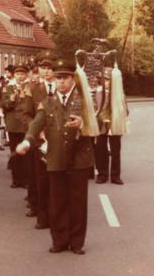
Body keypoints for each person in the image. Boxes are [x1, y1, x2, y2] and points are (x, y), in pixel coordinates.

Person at [16, 59, 95, 255]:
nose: (61, 82)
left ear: (73, 79)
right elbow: (36, 123)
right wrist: (27, 141)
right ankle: (59, 240)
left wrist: (82, 124)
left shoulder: (83, 101)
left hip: (79, 156)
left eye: (65, 78)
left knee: (77, 201)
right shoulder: (47, 102)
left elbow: (97, 125)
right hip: (56, 156)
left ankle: (76, 242)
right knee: (57, 200)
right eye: (58, 78)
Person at [19, 52, 57, 228]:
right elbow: (25, 114)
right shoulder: (33, 88)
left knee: (56, 179)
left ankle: (57, 214)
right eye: (43, 68)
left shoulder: (62, 87)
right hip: (39, 140)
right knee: (39, 179)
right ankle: (41, 215)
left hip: (58, 140)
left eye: (50, 68)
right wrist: (36, 130)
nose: (46, 72)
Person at [94, 66, 127, 184]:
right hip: (100, 124)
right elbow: (93, 109)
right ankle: (102, 174)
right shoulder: (96, 93)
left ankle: (115, 175)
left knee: (115, 151)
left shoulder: (119, 94)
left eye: (108, 80)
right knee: (100, 150)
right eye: (103, 80)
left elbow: (125, 111)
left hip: (114, 124)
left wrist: (119, 113)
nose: (105, 82)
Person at [2, 65, 32, 189]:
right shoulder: (8, 87)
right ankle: (16, 179)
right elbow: (3, 104)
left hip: (25, 125)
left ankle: (26, 180)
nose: (20, 76)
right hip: (13, 124)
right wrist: (11, 100)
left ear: (25, 75)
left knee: (26, 154)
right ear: (14, 75)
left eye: (22, 74)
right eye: (18, 74)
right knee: (14, 152)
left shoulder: (29, 86)